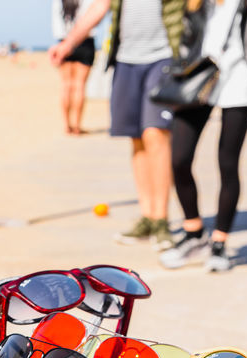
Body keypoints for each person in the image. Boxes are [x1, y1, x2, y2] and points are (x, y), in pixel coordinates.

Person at [158, 0, 247, 273]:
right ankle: (194, 235)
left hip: (241, 77)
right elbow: (181, 24)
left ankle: (219, 243)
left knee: (227, 162)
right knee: (179, 157)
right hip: (199, 74)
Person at [51, 0, 183, 250]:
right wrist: (69, 43)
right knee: (137, 139)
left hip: (163, 57)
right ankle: (147, 216)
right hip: (125, 60)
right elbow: (99, 7)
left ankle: (161, 219)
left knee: (156, 135)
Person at [50, 0, 97, 134]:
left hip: (63, 40)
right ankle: (77, 125)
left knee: (66, 85)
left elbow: (56, 24)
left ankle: (66, 125)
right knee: (79, 85)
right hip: (85, 41)